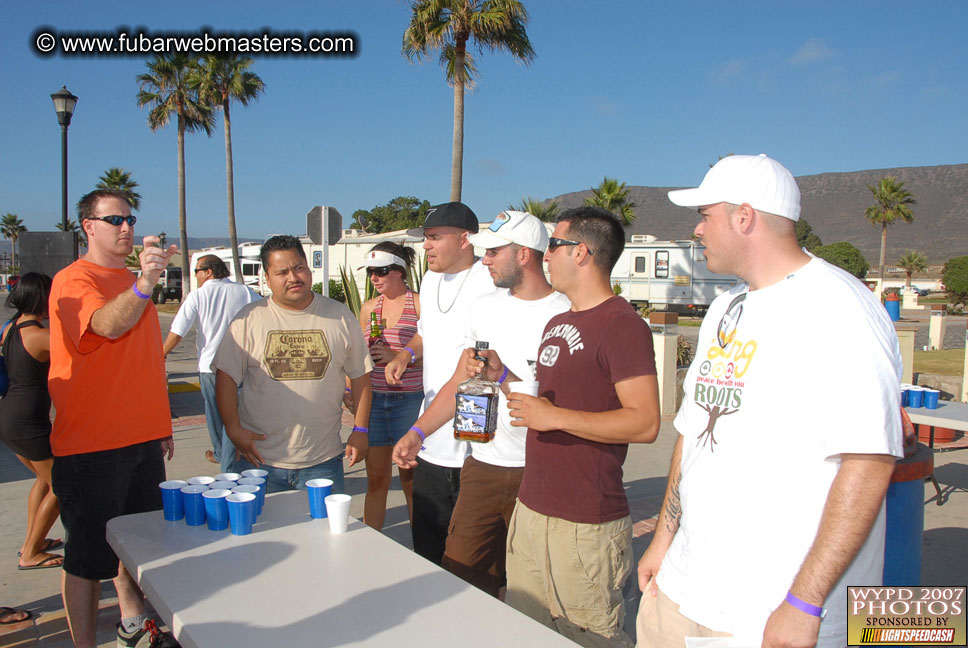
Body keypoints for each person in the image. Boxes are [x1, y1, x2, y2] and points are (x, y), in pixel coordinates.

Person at [635, 154, 902, 648]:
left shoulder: (840, 308)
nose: (697, 230)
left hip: (766, 613)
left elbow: (869, 461)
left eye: (705, 215)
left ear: (744, 217)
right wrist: (663, 542)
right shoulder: (724, 307)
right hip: (681, 591)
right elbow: (694, 433)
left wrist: (803, 603)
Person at [501, 206, 660, 648]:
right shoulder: (558, 322)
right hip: (532, 509)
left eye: (552, 245)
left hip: (585, 524)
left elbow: (645, 421)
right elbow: (552, 401)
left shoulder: (621, 325)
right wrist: (500, 375)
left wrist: (552, 417)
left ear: (582, 253)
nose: (544, 255)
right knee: (525, 632)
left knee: (588, 638)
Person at [393, 210, 570, 596]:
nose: (484, 259)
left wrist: (504, 376)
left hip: (539, 469)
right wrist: (417, 432)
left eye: (493, 251)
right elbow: (461, 379)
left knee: (531, 589)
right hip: (482, 466)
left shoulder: (566, 313)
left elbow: (567, 407)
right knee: (460, 577)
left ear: (524, 254)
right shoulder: (484, 307)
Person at [48, 188, 178, 648]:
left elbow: (143, 363)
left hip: (141, 440)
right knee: (86, 561)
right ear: (89, 227)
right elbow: (106, 326)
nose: (126, 228)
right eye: (115, 220)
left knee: (137, 547)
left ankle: (133, 625)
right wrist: (144, 284)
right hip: (91, 446)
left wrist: (159, 425)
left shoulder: (129, 280)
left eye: (130, 219)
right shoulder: (73, 280)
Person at [383, 201, 496, 565]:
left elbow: (481, 364)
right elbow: (424, 334)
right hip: (431, 434)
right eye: (425, 238)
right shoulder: (430, 281)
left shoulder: (489, 281)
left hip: (474, 439)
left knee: (472, 554)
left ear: (465, 239)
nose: (426, 246)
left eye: (434, 237)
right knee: (428, 543)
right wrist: (405, 355)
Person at [214, 235, 372, 493]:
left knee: (323, 533)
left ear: (309, 269)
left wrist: (361, 429)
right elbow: (226, 377)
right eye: (282, 272)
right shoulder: (248, 319)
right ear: (267, 278)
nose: (293, 277)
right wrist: (233, 430)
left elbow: (361, 376)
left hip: (323, 461)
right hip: (259, 461)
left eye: (299, 268)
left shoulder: (339, 316)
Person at [162, 254, 261, 471]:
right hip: (240, 366)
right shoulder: (243, 291)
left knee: (218, 415)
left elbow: (178, 330)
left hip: (209, 367)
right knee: (232, 415)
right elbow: (265, 313)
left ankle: (227, 467)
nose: (195, 275)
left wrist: (162, 353)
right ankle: (221, 453)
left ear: (208, 272)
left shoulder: (198, 296)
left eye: (197, 271)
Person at [356, 242, 423, 531]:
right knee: (377, 479)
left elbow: (440, 352)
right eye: (371, 272)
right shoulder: (369, 308)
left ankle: (423, 547)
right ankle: (371, 543)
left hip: (410, 400)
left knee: (410, 481)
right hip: (376, 399)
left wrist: (400, 357)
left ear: (399, 271)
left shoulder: (419, 304)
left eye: (381, 271)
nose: (374, 278)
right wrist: (350, 390)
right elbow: (357, 357)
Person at [0, 272, 63, 571]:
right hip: (28, 421)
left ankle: (34, 540)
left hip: (10, 415)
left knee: (44, 479)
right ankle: (30, 552)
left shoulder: (10, 328)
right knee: (63, 486)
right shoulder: (40, 336)